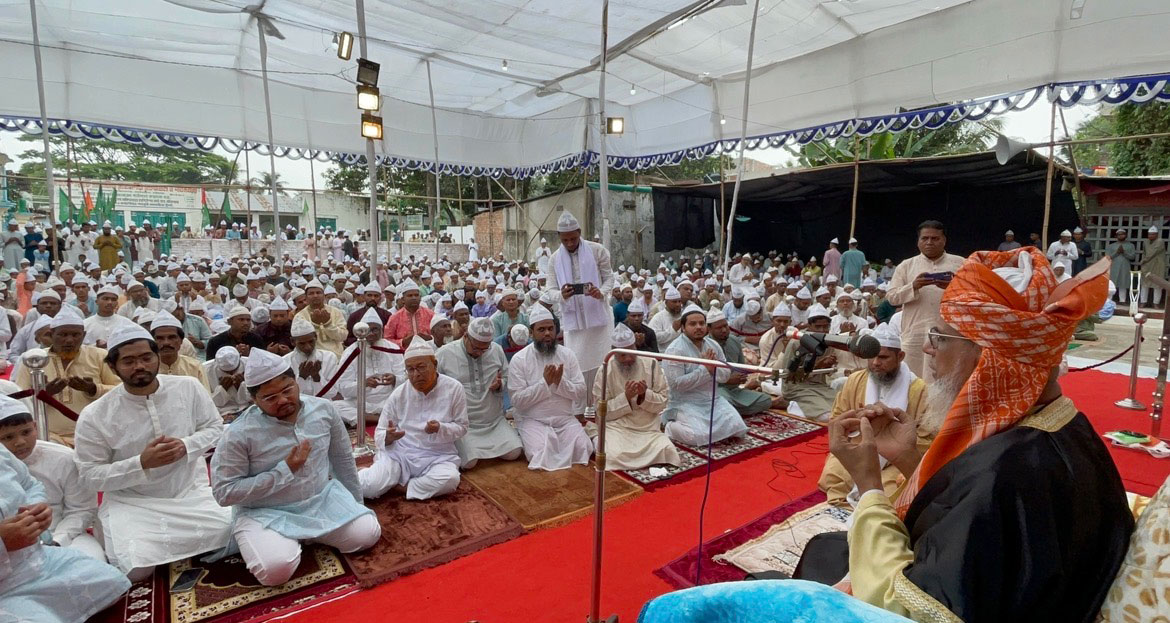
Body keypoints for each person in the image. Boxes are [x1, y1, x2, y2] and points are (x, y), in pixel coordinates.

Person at [794, 248, 1133, 623]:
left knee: (817, 564)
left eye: (939, 337)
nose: (926, 348)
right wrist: (907, 458)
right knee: (826, 549)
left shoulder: (1005, 471)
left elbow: (908, 611)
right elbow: (962, 514)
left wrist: (870, 486)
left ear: (989, 359)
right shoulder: (1065, 424)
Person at [73, 324, 232, 579]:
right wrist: (141, 463)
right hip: (133, 502)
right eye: (129, 361)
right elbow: (90, 476)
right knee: (136, 568)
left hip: (189, 494)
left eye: (146, 358)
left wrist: (186, 446)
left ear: (157, 357)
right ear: (112, 367)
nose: (140, 366)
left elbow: (214, 427)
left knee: (237, 529)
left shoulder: (188, 387)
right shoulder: (95, 415)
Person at [209, 348, 380, 587]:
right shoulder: (239, 434)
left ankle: (307, 536)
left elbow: (342, 460)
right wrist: (284, 471)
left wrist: (356, 505)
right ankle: (292, 539)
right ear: (254, 400)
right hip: (265, 512)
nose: (282, 400)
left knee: (367, 533)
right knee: (275, 572)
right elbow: (224, 493)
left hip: (320, 500)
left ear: (296, 382)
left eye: (287, 390)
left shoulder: (324, 409)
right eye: (270, 398)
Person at [0, 435, 131, 622]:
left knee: (113, 581)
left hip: (34, 561)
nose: (19, 441)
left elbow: (30, 485)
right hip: (4, 585)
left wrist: (36, 509)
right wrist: (3, 542)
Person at [816, 323, 930, 508]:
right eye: (872, 357)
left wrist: (894, 442)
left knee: (890, 492)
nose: (875, 363)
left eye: (883, 357)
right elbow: (837, 418)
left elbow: (927, 438)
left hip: (894, 460)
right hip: (857, 447)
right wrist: (860, 421)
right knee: (833, 476)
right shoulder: (855, 380)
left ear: (900, 356)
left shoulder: (919, 390)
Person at [359, 339, 469, 500]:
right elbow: (380, 431)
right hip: (401, 454)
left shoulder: (454, 388)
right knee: (368, 487)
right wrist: (388, 437)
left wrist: (440, 428)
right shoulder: (399, 394)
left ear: (435, 365)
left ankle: (400, 486)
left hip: (438, 455)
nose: (415, 374)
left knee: (450, 480)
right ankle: (395, 481)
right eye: (410, 369)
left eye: (421, 367)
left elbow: (462, 427)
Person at [0, 401, 105, 561]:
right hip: (9, 543)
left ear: (35, 427)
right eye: (8, 437)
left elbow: (81, 510)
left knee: (92, 564)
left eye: (26, 432)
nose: (20, 442)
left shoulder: (64, 458)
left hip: (65, 535)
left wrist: (57, 540)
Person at [13, 307, 121, 445]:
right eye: (63, 335)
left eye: (75, 335)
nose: (69, 340)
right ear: (51, 335)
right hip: (48, 436)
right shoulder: (34, 359)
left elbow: (122, 391)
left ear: (84, 335)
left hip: (96, 434)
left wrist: (93, 389)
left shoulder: (100, 356)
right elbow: (18, 403)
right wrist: (44, 394)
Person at [507, 305, 592, 470]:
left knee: (584, 447)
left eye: (550, 329)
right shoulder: (520, 359)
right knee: (540, 453)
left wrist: (560, 383)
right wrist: (544, 384)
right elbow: (517, 401)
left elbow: (580, 391)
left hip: (564, 418)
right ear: (531, 333)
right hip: (533, 420)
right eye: (541, 329)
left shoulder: (567, 355)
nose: (547, 333)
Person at [546, 211, 614, 410]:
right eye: (565, 240)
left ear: (580, 232)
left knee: (602, 365)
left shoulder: (597, 250)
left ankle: (601, 406)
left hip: (599, 320)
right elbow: (549, 290)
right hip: (574, 323)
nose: (569, 243)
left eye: (573, 239)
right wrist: (561, 295)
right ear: (559, 237)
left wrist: (600, 292)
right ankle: (579, 409)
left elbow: (609, 278)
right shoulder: (554, 259)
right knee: (576, 365)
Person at [436, 317, 524, 469]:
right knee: (469, 463)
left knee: (514, 452)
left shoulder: (496, 350)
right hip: (464, 424)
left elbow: (507, 375)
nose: (480, 353)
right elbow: (434, 384)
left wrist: (500, 384)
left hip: (493, 421)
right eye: (476, 348)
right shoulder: (444, 353)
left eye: (485, 349)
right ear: (466, 337)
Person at [590, 323, 679, 470]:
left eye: (631, 352)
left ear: (636, 347)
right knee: (612, 455)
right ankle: (597, 438)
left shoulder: (651, 363)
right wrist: (625, 397)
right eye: (622, 355)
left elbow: (663, 401)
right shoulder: (605, 370)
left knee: (667, 450)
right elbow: (601, 410)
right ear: (613, 352)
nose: (628, 358)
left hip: (646, 426)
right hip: (618, 427)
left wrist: (644, 395)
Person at [885, 220, 964, 383]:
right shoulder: (906, 266)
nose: (929, 242)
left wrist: (953, 287)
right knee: (910, 381)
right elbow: (892, 297)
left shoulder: (961, 263)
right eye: (925, 238)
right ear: (918, 241)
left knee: (946, 381)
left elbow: (976, 294)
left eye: (935, 238)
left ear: (944, 240)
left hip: (949, 334)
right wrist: (913, 286)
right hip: (915, 333)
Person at [660, 303, 749, 446]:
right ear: (683, 327)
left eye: (702, 323)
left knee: (738, 428)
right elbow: (676, 385)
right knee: (695, 437)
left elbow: (725, 375)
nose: (698, 327)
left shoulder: (713, 345)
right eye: (693, 324)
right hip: (685, 402)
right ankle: (670, 426)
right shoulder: (675, 350)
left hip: (713, 399)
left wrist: (713, 368)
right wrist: (705, 369)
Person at [336, 308, 405, 426]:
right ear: (360, 332)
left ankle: (367, 419)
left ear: (381, 331)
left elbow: (404, 378)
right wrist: (364, 383)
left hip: (389, 400)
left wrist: (395, 379)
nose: (371, 334)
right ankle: (380, 419)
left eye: (375, 329)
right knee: (335, 406)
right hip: (361, 402)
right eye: (367, 330)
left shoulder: (393, 348)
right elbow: (343, 388)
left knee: (412, 400)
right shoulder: (350, 352)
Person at [708, 309, 783, 415]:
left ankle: (731, 411)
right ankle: (730, 409)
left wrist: (741, 377)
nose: (724, 330)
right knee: (723, 401)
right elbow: (703, 378)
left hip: (735, 390)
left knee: (765, 400)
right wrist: (727, 380)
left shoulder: (734, 340)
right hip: (716, 390)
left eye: (725, 326)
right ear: (709, 329)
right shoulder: (705, 345)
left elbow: (741, 367)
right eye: (719, 328)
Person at [776, 304, 839, 421]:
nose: (822, 331)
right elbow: (788, 376)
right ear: (809, 326)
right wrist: (818, 366)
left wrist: (828, 365)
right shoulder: (796, 343)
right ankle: (792, 405)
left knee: (843, 407)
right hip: (797, 387)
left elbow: (828, 373)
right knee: (827, 416)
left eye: (825, 327)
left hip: (819, 386)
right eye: (818, 327)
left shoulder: (828, 341)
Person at [285, 317, 340, 397]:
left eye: (311, 342)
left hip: (324, 403)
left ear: (316, 337)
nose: (308, 347)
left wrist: (317, 378)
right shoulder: (284, 362)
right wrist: (301, 378)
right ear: (292, 342)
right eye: (302, 343)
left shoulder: (329, 357)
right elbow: (288, 396)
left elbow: (332, 393)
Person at [292, 280, 347, 356]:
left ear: (324, 296)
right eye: (311, 293)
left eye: (318, 293)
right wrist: (314, 324)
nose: (315, 296)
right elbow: (299, 341)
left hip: (336, 355)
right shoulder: (300, 316)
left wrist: (328, 324)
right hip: (310, 356)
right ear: (306, 297)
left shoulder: (335, 312)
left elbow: (343, 337)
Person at [383, 279, 434, 348]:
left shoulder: (430, 314)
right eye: (410, 295)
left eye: (416, 295)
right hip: (403, 353)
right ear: (403, 299)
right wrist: (402, 342)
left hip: (428, 351)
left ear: (420, 298)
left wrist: (430, 338)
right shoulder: (395, 318)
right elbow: (387, 340)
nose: (414, 298)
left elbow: (441, 335)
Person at [205, 346, 252, 420]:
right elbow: (208, 402)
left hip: (248, 408)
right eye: (226, 372)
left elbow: (257, 396)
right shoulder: (206, 370)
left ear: (240, 356)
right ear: (215, 362)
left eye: (234, 370)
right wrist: (222, 389)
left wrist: (242, 386)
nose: (231, 374)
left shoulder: (251, 364)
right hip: (223, 412)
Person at [1106, 228, 1137, 304]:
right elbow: (1108, 257)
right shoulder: (1111, 246)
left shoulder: (1130, 245)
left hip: (1125, 267)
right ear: (1116, 236)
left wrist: (1124, 252)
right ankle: (1109, 300)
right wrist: (1117, 252)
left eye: (1122, 234)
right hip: (1114, 267)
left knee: (1123, 283)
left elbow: (1132, 257)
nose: (1121, 236)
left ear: (1126, 235)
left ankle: (1122, 300)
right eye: (1119, 234)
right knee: (1111, 283)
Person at [758, 303, 793, 370]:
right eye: (779, 321)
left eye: (785, 321)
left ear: (790, 322)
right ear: (772, 321)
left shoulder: (794, 332)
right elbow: (773, 369)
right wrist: (785, 348)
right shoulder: (765, 340)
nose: (782, 325)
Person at [1141, 225, 1167, 307]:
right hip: (1147, 265)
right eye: (1149, 234)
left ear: (1157, 234)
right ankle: (1143, 302)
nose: (1150, 236)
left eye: (1153, 234)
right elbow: (1144, 252)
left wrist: (1144, 260)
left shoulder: (1160, 241)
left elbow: (1153, 252)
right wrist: (1143, 261)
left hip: (1157, 265)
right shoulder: (1145, 241)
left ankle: (1156, 303)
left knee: (1158, 284)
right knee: (1145, 284)